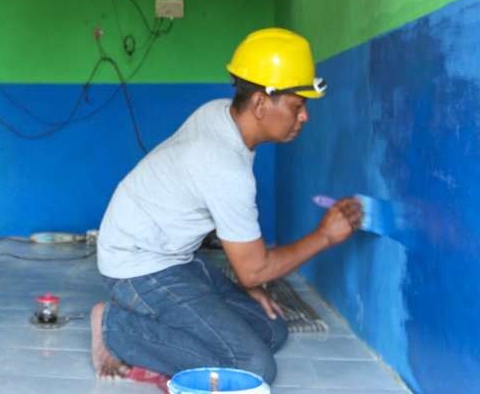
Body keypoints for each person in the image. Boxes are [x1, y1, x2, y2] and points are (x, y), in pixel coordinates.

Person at [90, 28, 363, 387]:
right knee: (253, 365)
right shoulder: (224, 165)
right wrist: (325, 236)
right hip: (137, 267)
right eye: (297, 105)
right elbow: (252, 270)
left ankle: (156, 328)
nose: (304, 117)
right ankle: (114, 326)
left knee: (272, 328)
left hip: (174, 257)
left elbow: (248, 264)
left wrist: (252, 278)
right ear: (261, 104)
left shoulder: (219, 114)